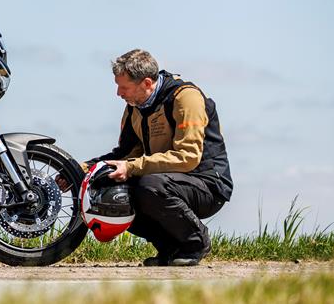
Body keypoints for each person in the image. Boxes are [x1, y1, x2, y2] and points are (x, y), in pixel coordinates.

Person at [85, 49, 233, 266]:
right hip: (166, 181)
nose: (118, 93)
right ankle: (170, 248)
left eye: (123, 87)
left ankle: (196, 242)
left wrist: (132, 168)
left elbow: (188, 157)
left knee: (149, 184)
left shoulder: (186, 98)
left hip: (208, 184)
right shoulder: (134, 108)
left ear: (146, 83)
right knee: (112, 186)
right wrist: (80, 170)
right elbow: (124, 155)